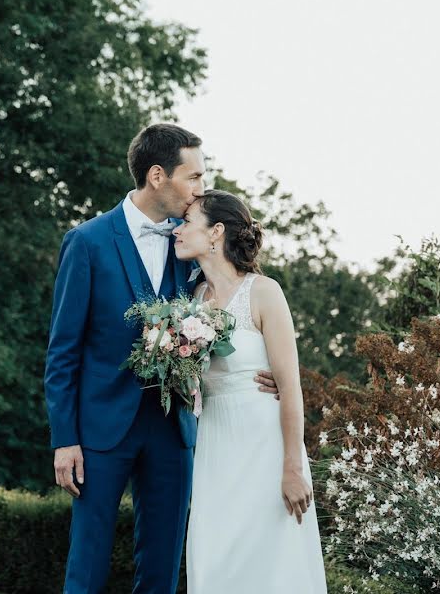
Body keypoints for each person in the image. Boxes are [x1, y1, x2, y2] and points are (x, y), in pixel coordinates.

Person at [44, 126, 278, 593]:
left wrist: (258, 369)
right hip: (100, 433)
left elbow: (232, 298)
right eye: (193, 177)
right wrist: (65, 438)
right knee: (86, 564)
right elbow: (63, 350)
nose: (200, 188)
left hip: (174, 432)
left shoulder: (191, 243)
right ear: (157, 176)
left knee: (162, 570)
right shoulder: (87, 242)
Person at [173, 190, 327, 593]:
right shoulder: (192, 302)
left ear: (216, 232)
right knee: (216, 555)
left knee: (272, 559)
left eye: (187, 221)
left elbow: (291, 388)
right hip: (215, 444)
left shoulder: (263, 292)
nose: (178, 229)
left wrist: (292, 465)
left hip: (266, 445)